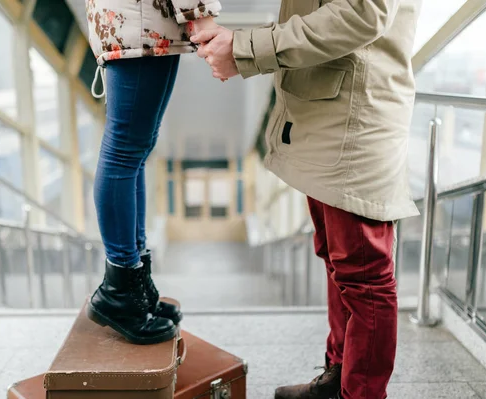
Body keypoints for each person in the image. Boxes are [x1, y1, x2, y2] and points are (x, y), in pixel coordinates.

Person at [192, 0, 421, 398]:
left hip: (354, 119)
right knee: (338, 261)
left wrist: (246, 49)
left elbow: (365, 13)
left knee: (365, 277)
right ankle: (338, 378)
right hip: (322, 113)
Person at [84, 0, 222, 345]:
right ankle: (120, 288)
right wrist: (199, 14)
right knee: (124, 152)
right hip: (140, 22)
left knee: (135, 152)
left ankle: (135, 282)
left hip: (142, 22)